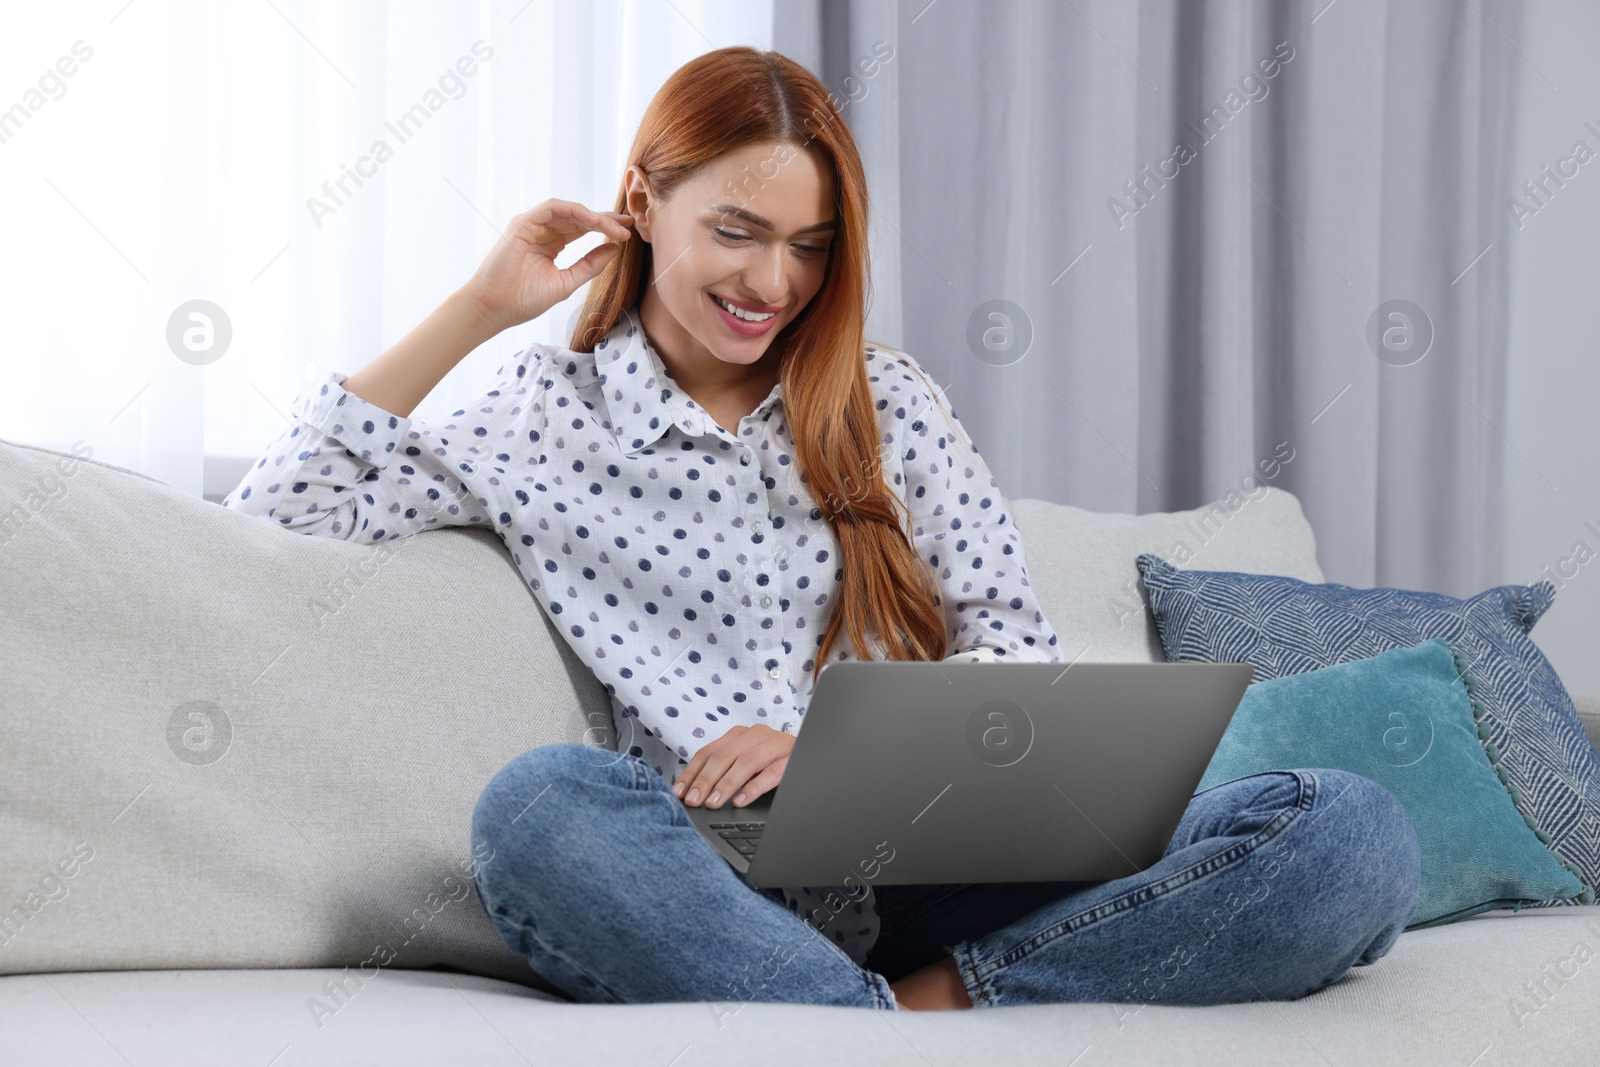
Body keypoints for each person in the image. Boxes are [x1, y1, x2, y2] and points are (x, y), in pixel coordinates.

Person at [225, 45, 1421, 1012]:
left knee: (1349, 828)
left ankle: (920, 1010)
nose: (773, 283)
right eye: (737, 231)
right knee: (539, 810)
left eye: (809, 246)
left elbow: (1012, 643)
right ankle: (872, 1018)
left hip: (946, 852)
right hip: (722, 875)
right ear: (641, 202)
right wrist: (478, 306)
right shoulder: (544, 412)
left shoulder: (888, 400)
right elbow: (278, 517)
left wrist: (838, 748)